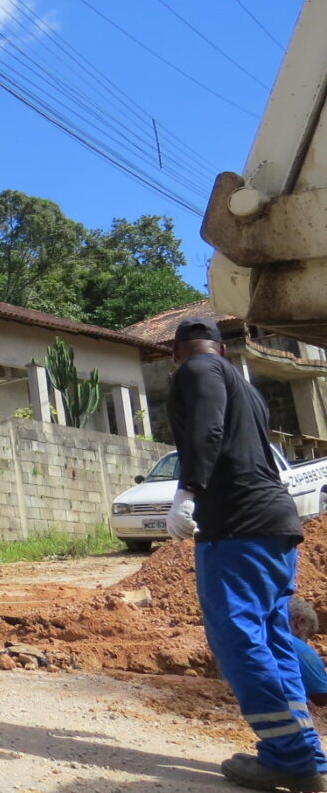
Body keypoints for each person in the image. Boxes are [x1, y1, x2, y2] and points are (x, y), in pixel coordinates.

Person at [166, 316, 327, 791]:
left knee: (238, 638)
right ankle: (304, 753)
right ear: (219, 345)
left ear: (178, 352)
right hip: (274, 524)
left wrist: (188, 490)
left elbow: (207, 429)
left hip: (237, 526)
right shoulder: (245, 385)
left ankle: (290, 757)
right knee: (273, 640)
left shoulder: (199, 371)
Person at [289, 597, 327, 708]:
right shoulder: (298, 647)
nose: (306, 642)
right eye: (308, 634)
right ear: (298, 623)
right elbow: (322, 698)